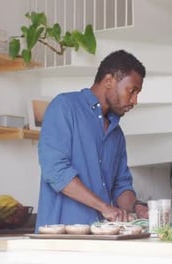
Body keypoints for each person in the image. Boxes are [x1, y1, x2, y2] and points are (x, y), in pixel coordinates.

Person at [35, 49, 149, 230]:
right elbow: (55, 171)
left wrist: (136, 206)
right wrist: (103, 207)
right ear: (109, 81)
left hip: (99, 239)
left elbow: (121, 185)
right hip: (58, 241)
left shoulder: (116, 133)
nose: (135, 100)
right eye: (132, 90)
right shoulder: (64, 107)